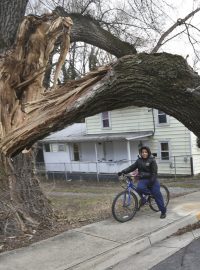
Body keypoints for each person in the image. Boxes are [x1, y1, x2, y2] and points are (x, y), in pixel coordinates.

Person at [118, 146, 167, 219]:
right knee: (139, 188)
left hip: (152, 180)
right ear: (141, 153)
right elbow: (132, 167)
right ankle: (144, 199)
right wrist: (123, 171)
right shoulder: (139, 160)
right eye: (142, 152)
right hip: (143, 179)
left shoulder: (152, 160)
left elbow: (154, 173)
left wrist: (151, 181)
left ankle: (163, 212)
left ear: (148, 152)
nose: (144, 153)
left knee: (157, 195)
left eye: (145, 152)